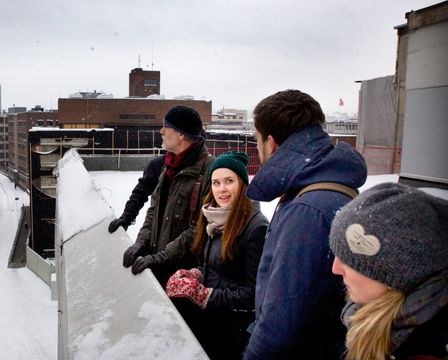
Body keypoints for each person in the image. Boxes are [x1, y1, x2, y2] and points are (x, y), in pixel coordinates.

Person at [243, 89, 367, 359]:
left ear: (271, 143)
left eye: (257, 140)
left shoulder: (307, 210)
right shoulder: (328, 189)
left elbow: (282, 321)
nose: (257, 148)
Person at [165, 151, 268, 359]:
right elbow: (220, 270)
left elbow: (255, 294)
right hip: (212, 322)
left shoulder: (255, 228)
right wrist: (197, 274)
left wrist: (204, 295)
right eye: (216, 182)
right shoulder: (215, 220)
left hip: (234, 331)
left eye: (229, 181)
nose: (221, 189)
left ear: (242, 184)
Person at [329, 182, 448, 360]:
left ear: (399, 274)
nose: (335, 269)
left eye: (351, 261)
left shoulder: (418, 349)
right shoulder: (378, 320)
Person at [123, 105, 214, 286]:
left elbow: (200, 227)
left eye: (166, 126)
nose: (161, 131)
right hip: (160, 270)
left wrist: (163, 257)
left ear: (181, 133)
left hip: (184, 280)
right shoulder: (168, 166)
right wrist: (142, 242)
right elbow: (154, 210)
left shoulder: (210, 170)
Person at [108, 154, 165, 233]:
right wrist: (127, 217)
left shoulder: (187, 166)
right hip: (158, 230)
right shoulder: (157, 164)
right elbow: (140, 192)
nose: (163, 141)